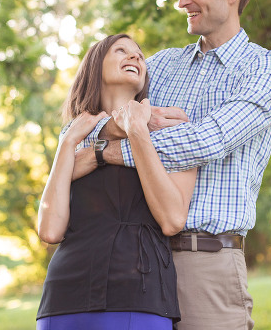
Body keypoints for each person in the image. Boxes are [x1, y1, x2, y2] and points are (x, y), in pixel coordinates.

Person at [74, 0, 271, 330]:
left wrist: (111, 151)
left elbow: (208, 140)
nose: (181, 1)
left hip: (204, 262)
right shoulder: (159, 66)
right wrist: (119, 128)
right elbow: (79, 125)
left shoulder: (266, 67)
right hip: (135, 261)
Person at [36, 34, 198, 330]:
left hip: (139, 294)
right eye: (121, 50)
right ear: (95, 67)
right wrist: (69, 141)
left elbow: (173, 220)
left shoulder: (171, 129)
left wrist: (136, 128)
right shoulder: (71, 137)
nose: (135, 57)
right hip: (63, 297)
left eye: (139, 54)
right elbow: (49, 229)